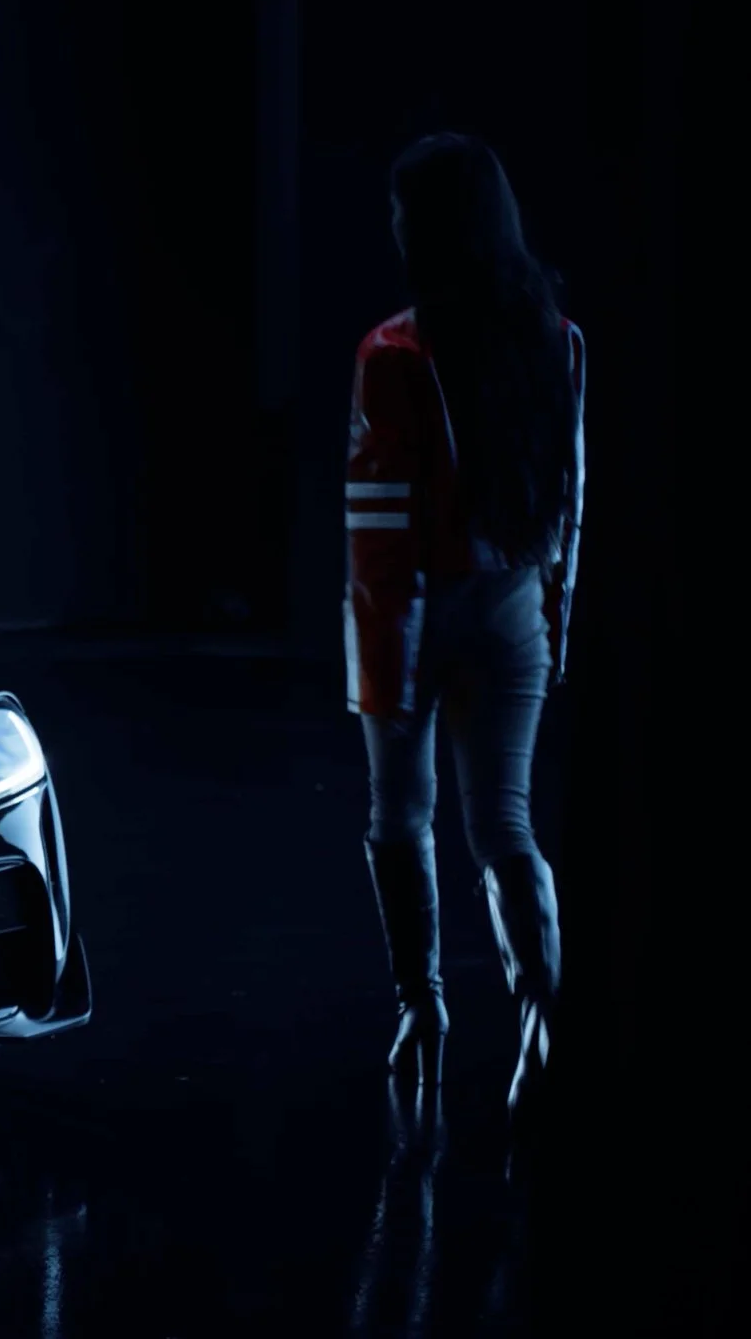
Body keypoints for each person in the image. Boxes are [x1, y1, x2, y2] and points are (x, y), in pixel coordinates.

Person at [345, 133, 583, 1123]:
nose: (393, 225)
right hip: (516, 601)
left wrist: (383, 665)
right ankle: (539, 1012)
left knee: (400, 819)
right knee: (505, 823)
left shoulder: (394, 350)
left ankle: (423, 1008)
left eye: (405, 211)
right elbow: (572, 495)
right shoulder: (554, 337)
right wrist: (554, 620)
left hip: (415, 608)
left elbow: (378, 524)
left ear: (433, 225)